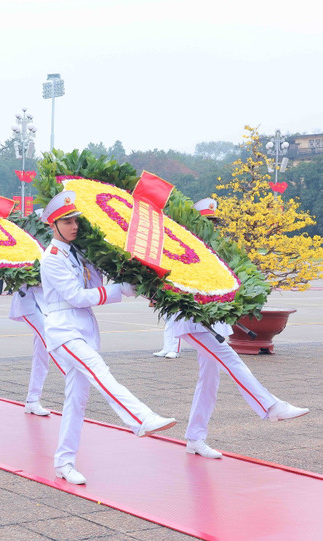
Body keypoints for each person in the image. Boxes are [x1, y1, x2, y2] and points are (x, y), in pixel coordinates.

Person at [40, 190, 176, 485]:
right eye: (66, 221)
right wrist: (120, 291)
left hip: (85, 327)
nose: (73, 225)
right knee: (99, 370)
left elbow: (101, 280)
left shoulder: (81, 251)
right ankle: (140, 418)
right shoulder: (52, 258)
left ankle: (64, 462)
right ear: (53, 225)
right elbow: (76, 296)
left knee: (77, 400)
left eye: (75, 219)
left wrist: (136, 281)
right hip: (64, 330)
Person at [170, 197, 309, 459]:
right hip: (193, 324)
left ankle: (195, 438)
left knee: (209, 381)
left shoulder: (214, 252)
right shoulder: (184, 250)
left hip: (213, 325)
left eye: (213, 222)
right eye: (206, 221)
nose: (211, 226)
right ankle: (271, 406)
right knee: (232, 361)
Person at [10, 284, 67, 416]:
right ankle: (71, 379)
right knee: (51, 340)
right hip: (27, 304)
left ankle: (32, 400)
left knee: (41, 354)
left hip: (44, 303)